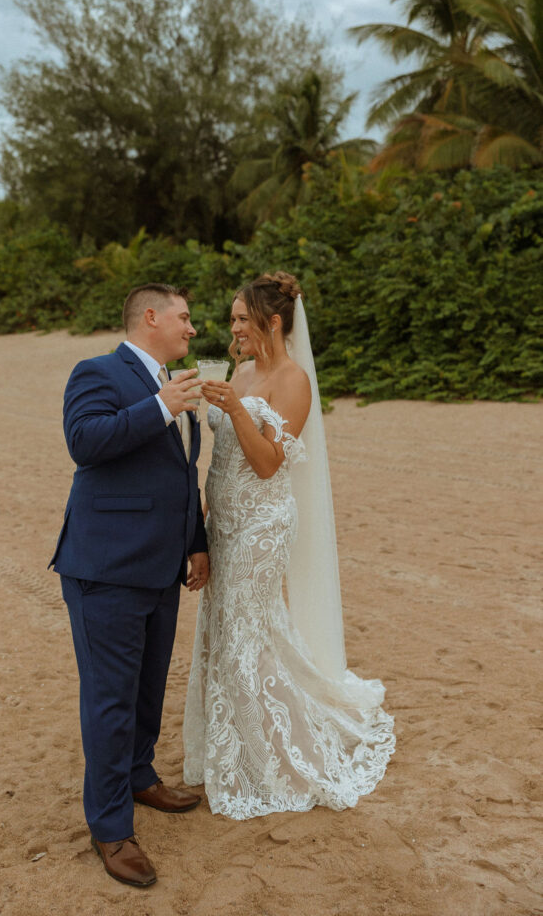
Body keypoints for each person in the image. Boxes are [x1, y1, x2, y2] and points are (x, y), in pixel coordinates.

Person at [183, 271, 395, 819]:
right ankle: (229, 747)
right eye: (231, 318)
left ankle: (267, 756)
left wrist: (232, 408)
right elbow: (226, 457)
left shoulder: (293, 381)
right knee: (226, 628)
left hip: (261, 526)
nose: (232, 328)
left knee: (247, 634)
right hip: (225, 520)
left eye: (240, 318)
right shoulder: (242, 369)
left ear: (272, 321)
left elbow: (269, 462)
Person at [50, 283, 209, 887]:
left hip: (160, 564)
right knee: (110, 700)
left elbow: (180, 472)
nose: (193, 329)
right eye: (185, 318)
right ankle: (111, 829)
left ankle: (140, 777)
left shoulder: (174, 383)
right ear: (151, 317)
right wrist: (162, 406)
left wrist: (196, 542)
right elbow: (84, 443)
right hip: (105, 569)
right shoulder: (96, 371)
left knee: (146, 690)